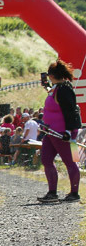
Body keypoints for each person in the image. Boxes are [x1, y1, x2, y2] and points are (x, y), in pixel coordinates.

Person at [37, 59, 82, 202]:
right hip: (51, 133)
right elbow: (53, 97)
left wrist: (69, 132)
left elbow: (71, 111)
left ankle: (74, 193)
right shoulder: (56, 88)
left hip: (64, 134)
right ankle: (52, 193)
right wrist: (46, 87)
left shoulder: (64, 89)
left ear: (52, 75)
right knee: (46, 159)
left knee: (71, 162)